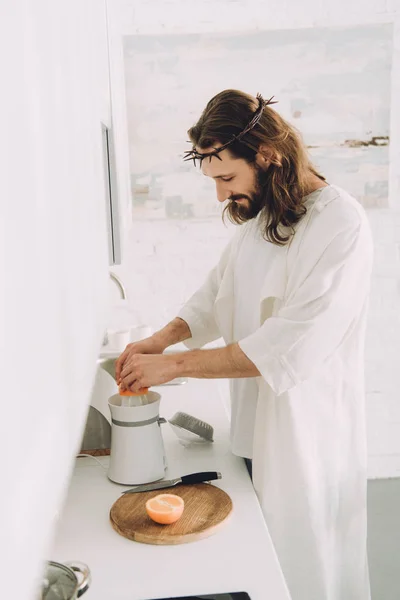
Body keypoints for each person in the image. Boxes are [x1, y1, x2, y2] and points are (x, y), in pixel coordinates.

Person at [115, 90, 373, 600]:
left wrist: (172, 368)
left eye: (226, 179)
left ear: (269, 155)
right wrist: (158, 341)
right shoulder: (266, 214)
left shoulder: (340, 225)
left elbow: (287, 347)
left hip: (307, 434)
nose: (219, 196)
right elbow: (216, 294)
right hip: (256, 426)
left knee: (308, 566)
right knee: (264, 562)